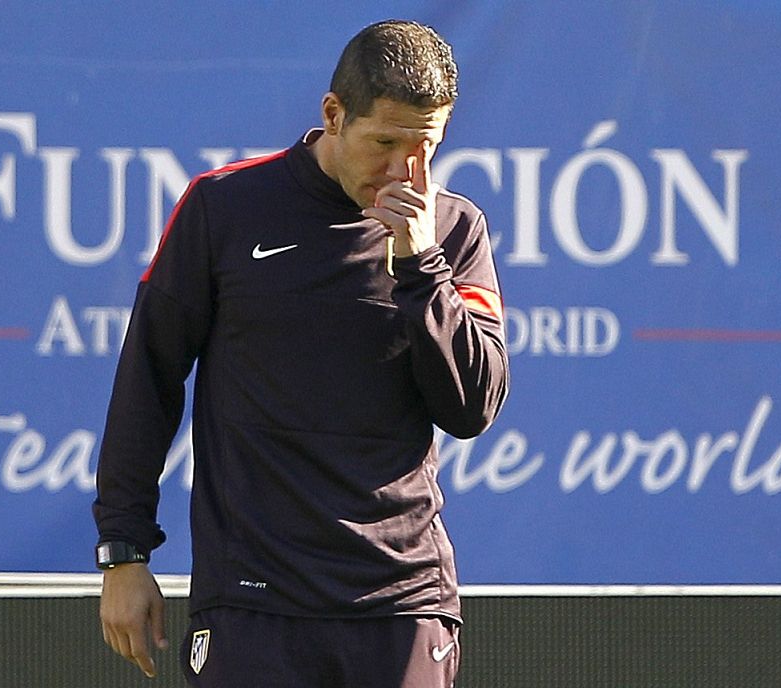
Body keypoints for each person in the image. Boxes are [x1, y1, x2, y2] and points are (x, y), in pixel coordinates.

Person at [92, 19, 508, 687]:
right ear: (333, 114)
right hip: (254, 602)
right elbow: (149, 378)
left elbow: (472, 409)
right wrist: (123, 553)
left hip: (401, 604)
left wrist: (421, 266)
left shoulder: (453, 231)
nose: (405, 170)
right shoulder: (225, 208)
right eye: (384, 142)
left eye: (424, 146)